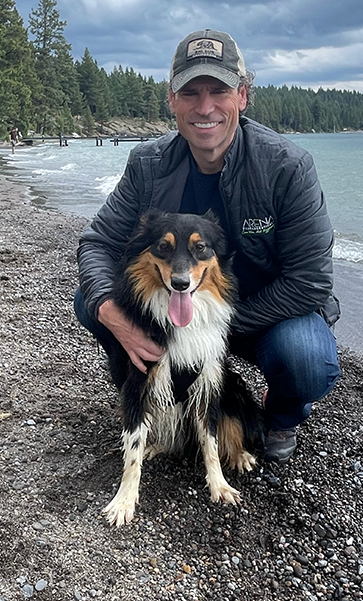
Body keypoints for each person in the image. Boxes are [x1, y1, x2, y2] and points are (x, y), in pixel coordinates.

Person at [74, 29, 340, 463]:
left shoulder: (288, 168)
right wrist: (110, 309)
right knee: (90, 302)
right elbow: (98, 243)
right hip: (176, 311)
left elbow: (310, 281)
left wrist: (213, 328)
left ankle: (281, 415)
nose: (204, 107)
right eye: (190, 93)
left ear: (243, 96)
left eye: (218, 91)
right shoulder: (147, 164)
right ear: (171, 100)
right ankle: (151, 391)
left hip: (261, 316)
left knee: (307, 358)